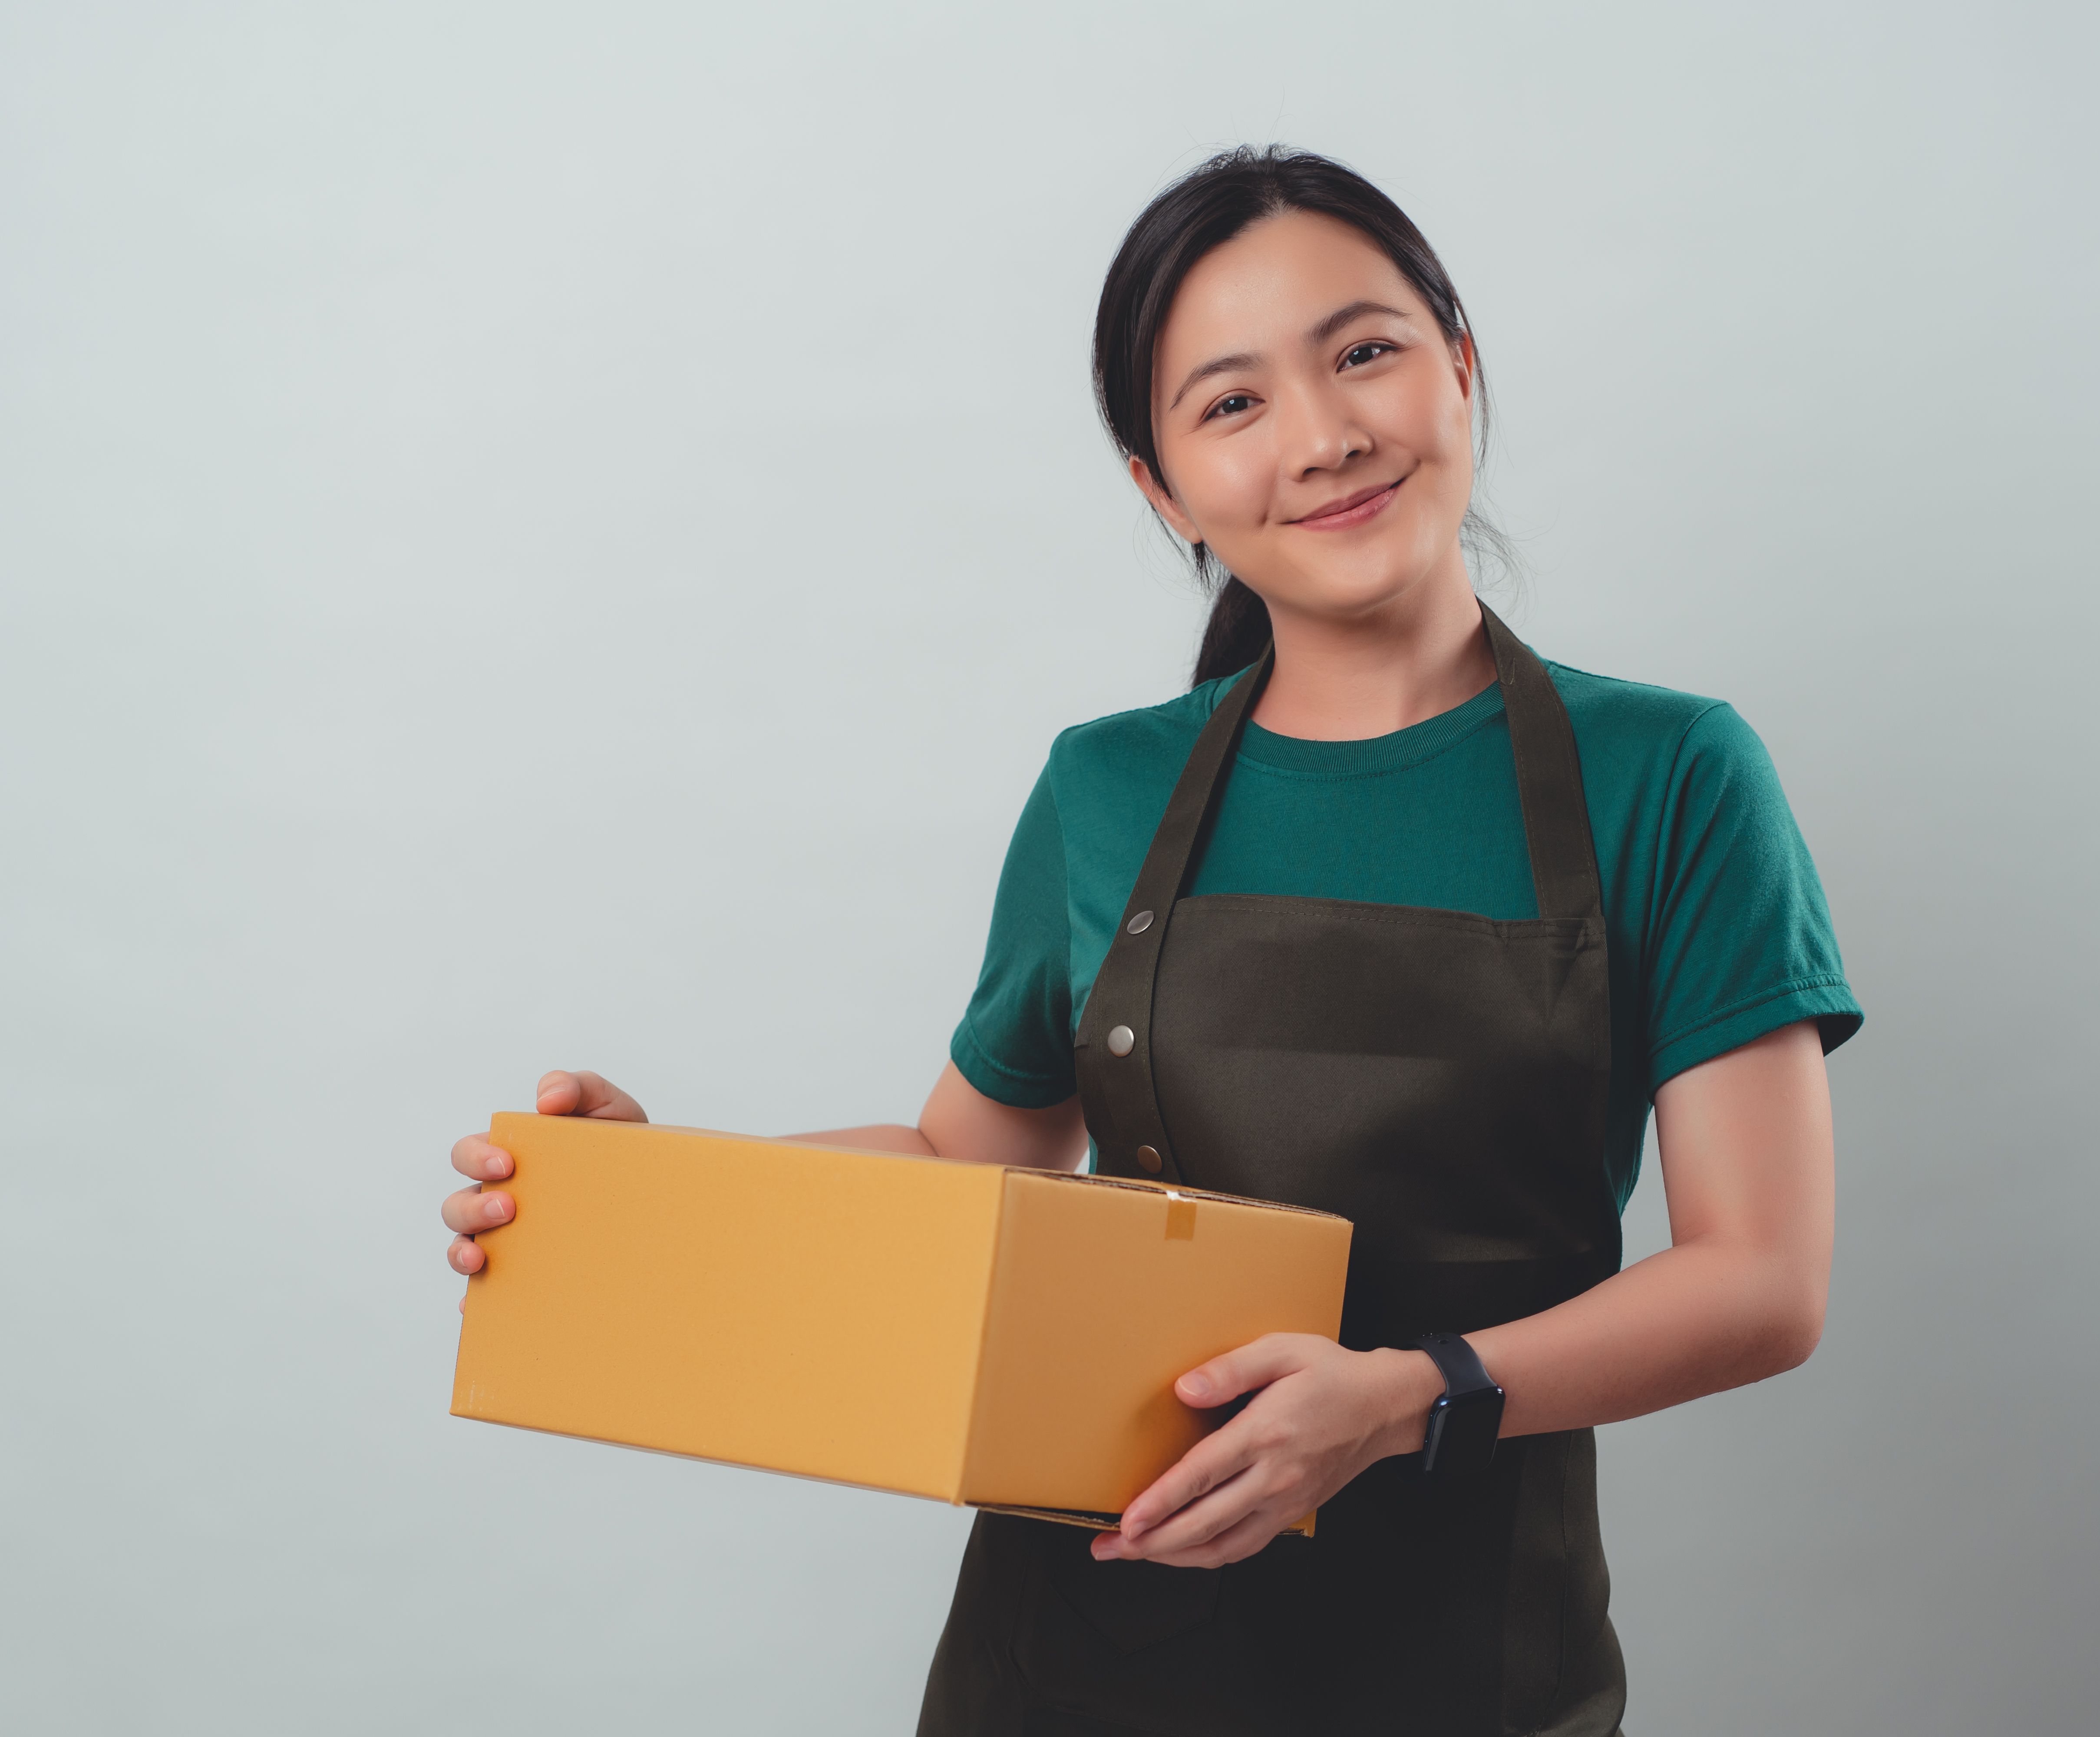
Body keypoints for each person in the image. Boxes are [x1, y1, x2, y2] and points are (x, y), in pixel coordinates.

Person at [439, 145, 1860, 1737]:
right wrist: (659, 1194)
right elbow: (971, 1159)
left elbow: (1762, 1280)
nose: (1324, 438)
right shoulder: (1103, 784)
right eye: (1232, 403)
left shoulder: (1671, 773)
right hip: (1079, 1647)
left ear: (1461, 365)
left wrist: (1405, 1401)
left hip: (1468, 1655)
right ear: (1160, 487)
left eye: (1365, 351)